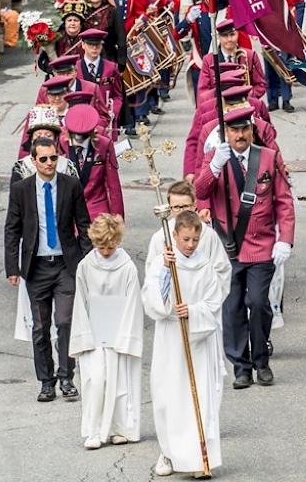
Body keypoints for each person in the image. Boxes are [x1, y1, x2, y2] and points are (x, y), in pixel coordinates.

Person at [195, 108, 295, 388]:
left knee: (260, 303)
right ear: (226, 133)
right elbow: (201, 193)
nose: (240, 135)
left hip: (261, 244)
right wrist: (214, 166)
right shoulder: (215, 157)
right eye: (234, 131)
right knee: (233, 307)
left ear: (251, 131)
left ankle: (261, 360)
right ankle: (241, 365)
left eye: (245, 130)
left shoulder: (268, 157)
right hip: (228, 246)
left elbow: (283, 201)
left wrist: (284, 238)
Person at [4, 137, 92, 401]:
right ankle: (46, 381)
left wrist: (87, 261)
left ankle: (67, 377)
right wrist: (12, 267)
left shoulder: (71, 185)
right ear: (34, 161)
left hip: (66, 265)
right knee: (40, 327)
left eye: (53, 158)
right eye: (43, 159)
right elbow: (12, 229)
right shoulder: (21, 189)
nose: (49, 163)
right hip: (37, 266)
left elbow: (84, 224)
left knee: (65, 322)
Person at [142, 211, 227, 478]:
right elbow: (153, 299)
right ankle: (168, 452)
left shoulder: (206, 267)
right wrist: (167, 271)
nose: (190, 244)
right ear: (176, 235)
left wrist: (192, 310)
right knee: (169, 396)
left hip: (198, 341)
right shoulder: (163, 263)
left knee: (198, 398)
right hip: (170, 339)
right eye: (186, 238)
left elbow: (214, 303)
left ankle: (200, 459)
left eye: (195, 239)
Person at [69, 214, 143, 450]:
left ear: (118, 241)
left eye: (110, 246)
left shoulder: (127, 267)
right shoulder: (86, 266)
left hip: (119, 330)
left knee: (120, 382)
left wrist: (126, 335)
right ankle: (94, 429)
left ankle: (120, 428)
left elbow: (133, 303)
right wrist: (84, 335)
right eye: (101, 246)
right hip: (94, 330)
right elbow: (80, 302)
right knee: (96, 379)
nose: (106, 251)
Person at [146, 180, 231, 301]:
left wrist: (206, 303)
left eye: (185, 206)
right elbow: (152, 276)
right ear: (169, 208)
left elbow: (222, 271)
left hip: (202, 308)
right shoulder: (160, 237)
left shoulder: (209, 236)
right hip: (173, 311)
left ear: (194, 205)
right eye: (176, 207)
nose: (181, 211)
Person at [58, 104, 124, 220]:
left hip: (98, 213)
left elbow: (113, 186)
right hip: (69, 215)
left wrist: (118, 219)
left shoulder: (104, 145)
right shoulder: (60, 144)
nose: (78, 141)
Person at [196, 19, 267, 102]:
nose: (229, 39)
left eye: (232, 34)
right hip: (220, 108)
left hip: (245, 106)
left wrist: (246, 96)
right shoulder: (208, 60)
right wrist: (219, 97)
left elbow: (261, 85)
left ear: (238, 34)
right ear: (219, 37)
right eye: (225, 35)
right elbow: (203, 91)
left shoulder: (250, 56)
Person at [76, 28, 124, 139]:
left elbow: (118, 95)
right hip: (81, 119)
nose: (94, 48)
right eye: (90, 45)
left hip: (104, 120)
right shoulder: (75, 68)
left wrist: (113, 113)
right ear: (83, 45)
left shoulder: (112, 67)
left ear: (101, 46)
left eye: (97, 45)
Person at [12, 105, 77, 183]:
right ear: (31, 139)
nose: (43, 139)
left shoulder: (67, 167)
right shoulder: (22, 168)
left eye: (48, 135)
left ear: (56, 140)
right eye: (38, 136)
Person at [83, 0, 127, 70]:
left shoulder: (112, 11)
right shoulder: (82, 11)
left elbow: (121, 38)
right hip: (85, 59)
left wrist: (121, 62)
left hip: (108, 57)